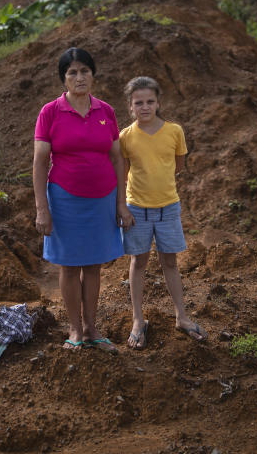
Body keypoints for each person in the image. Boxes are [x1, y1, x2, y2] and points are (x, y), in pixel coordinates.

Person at [33, 47, 134, 352]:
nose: (80, 77)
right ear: (63, 78)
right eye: (72, 72)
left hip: (102, 200)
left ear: (93, 74)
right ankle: (74, 329)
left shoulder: (105, 111)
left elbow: (117, 159)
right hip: (64, 200)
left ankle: (92, 328)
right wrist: (42, 209)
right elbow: (39, 162)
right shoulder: (50, 112)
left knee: (93, 266)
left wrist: (120, 202)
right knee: (68, 266)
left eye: (85, 71)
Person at [119, 76, 206, 349]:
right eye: (138, 103)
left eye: (149, 101)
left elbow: (178, 166)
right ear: (130, 107)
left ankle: (181, 315)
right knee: (139, 263)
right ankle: (137, 319)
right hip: (137, 210)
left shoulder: (174, 132)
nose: (144, 107)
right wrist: (123, 208)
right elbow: (123, 173)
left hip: (168, 208)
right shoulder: (125, 137)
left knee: (170, 262)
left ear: (158, 103)